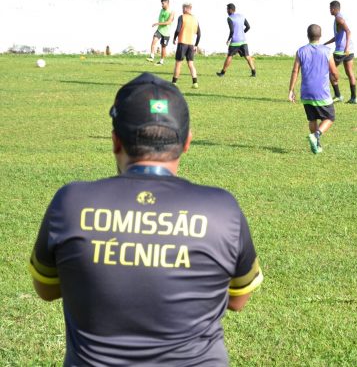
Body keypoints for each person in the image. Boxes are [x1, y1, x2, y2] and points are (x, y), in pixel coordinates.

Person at [29, 72, 263, 366]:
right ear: (187, 142)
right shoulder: (222, 209)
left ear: (115, 141)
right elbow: (238, 300)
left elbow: (47, 289)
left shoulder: (71, 202)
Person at [289, 24, 340, 154]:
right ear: (320, 35)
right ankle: (316, 135)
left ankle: (317, 145)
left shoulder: (301, 51)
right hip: (321, 92)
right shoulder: (327, 51)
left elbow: (295, 71)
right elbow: (334, 72)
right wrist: (336, 79)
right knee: (330, 117)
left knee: (312, 119)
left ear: (308, 35)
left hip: (306, 93)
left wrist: (291, 90)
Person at [324, 0, 357, 104]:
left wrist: (346, 48)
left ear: (334, 9)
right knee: (350, 73)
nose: (329, 10)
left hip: (341, 51)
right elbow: (338, 36)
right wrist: (325, 43)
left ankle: (338, 95)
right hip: (349, 51)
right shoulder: (340, 17)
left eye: (330, 8)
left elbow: (348, 31)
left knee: (329, 70)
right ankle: (354, 98)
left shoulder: (338, 18)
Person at [216, 3, 256, 78]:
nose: (227, 11)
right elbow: (248, 27)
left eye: (227, 9)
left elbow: (232, 31)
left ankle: (222, 73)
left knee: (229, 56)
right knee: (247, 56)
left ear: (230, 10)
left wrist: (228, 39)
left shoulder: (230, 18)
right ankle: (254, 73)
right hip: (243, 41)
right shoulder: (242, 16)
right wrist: (243, 33)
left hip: (235, 42)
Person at [171, 3, 201, 89]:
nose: (182, 10)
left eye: (183, 8)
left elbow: (178, 29)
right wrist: (196, 45)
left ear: (186, 8)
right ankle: (195, 83)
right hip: (191, 45)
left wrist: (174, 38)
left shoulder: (182, 17)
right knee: (191, 64)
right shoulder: (195, 19)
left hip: (182, 43)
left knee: (178, 63)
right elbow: (199, 34)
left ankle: (174, 83)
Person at [147, 0, 174, 65]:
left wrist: (157, 23)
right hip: (159, 30)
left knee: (163, 47)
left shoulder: (172, 12)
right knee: (154, 41)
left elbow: (168, 22)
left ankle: (161, 61)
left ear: (167, 3)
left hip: (166, 33)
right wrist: (158, 24)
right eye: (161, 3)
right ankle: (152, 56)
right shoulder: (162, 10)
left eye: (163, 3)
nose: (162, 5)